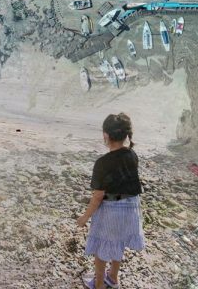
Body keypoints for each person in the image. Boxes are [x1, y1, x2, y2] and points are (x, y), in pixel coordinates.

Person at [76, 113, 145, 289]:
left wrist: (85, 217)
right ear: (125, 135)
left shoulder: (102, 163)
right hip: (132, 207)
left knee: (101, 247)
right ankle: (113, 278)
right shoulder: (132, 154)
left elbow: (97, 196)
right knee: (118, 242)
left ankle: (99, 284)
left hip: (112, 210)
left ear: (106, 135)